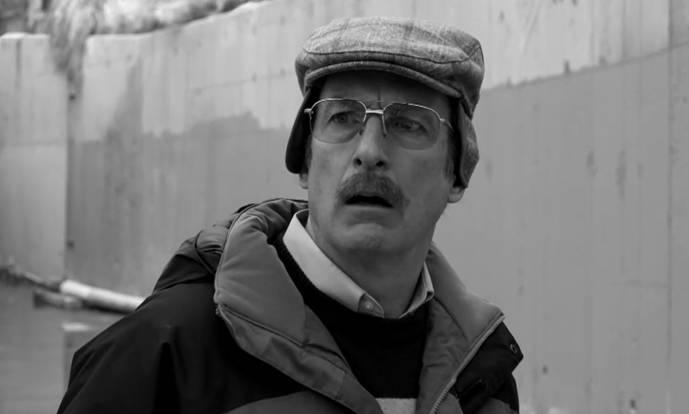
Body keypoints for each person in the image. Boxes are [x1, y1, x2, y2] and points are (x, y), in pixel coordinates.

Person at [58, 16, 523, 414]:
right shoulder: (162, 357)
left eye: (409, 123)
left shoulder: (483, 380)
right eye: (342, 117)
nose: (369, 151)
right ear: (304, 160)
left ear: (458, 175)